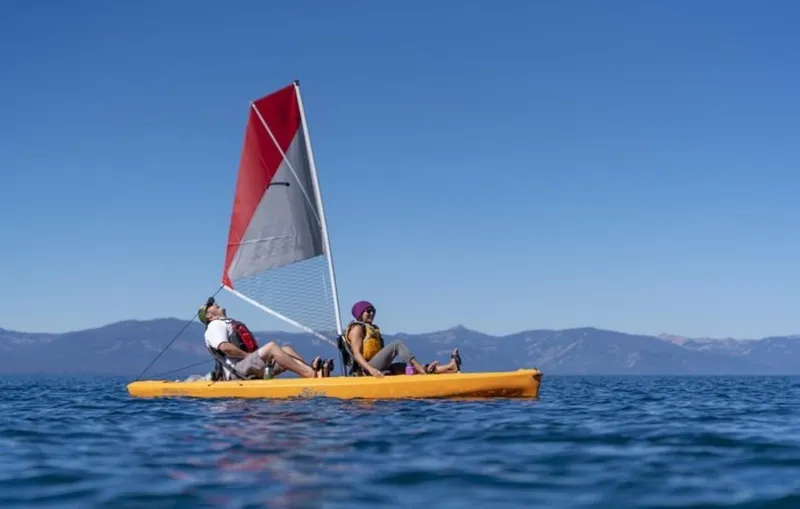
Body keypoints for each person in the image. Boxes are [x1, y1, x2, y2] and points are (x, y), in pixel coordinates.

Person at [198, 296, 333, 380]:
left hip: (248, 367)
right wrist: (248, 356)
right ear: (209, 316)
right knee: (271, 347)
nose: (215, 303)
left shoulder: (226, 323)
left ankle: (313, 371)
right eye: (211, 305)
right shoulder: (215, 325)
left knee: (286, 349)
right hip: (235, 372)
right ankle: (311, 375)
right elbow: (225, 347)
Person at [343, 300, 461, 377]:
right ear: (360, 313)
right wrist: (371, 369)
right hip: (366, 370)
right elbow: (357, 353)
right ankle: (424, 372)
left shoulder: (372, 328)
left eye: (373, 311)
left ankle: (449, 367)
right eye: (368, 311)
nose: (372, 313)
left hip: (377, 366)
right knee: (397, 344)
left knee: (408, 369)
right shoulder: (357, 328)